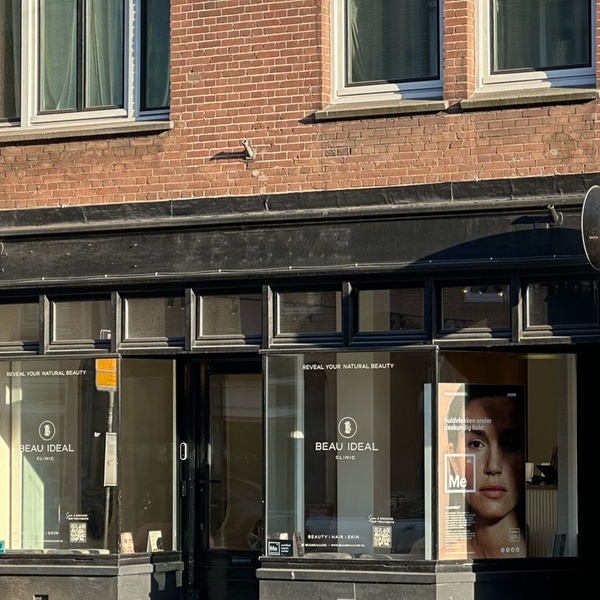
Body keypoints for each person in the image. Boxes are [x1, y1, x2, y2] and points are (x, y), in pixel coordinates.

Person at [446, 384, 526, 559]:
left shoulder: (544, 556)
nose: (493, 467)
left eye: (511, 444)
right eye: (475, 444)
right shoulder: (443, 557)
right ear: (453, 459)